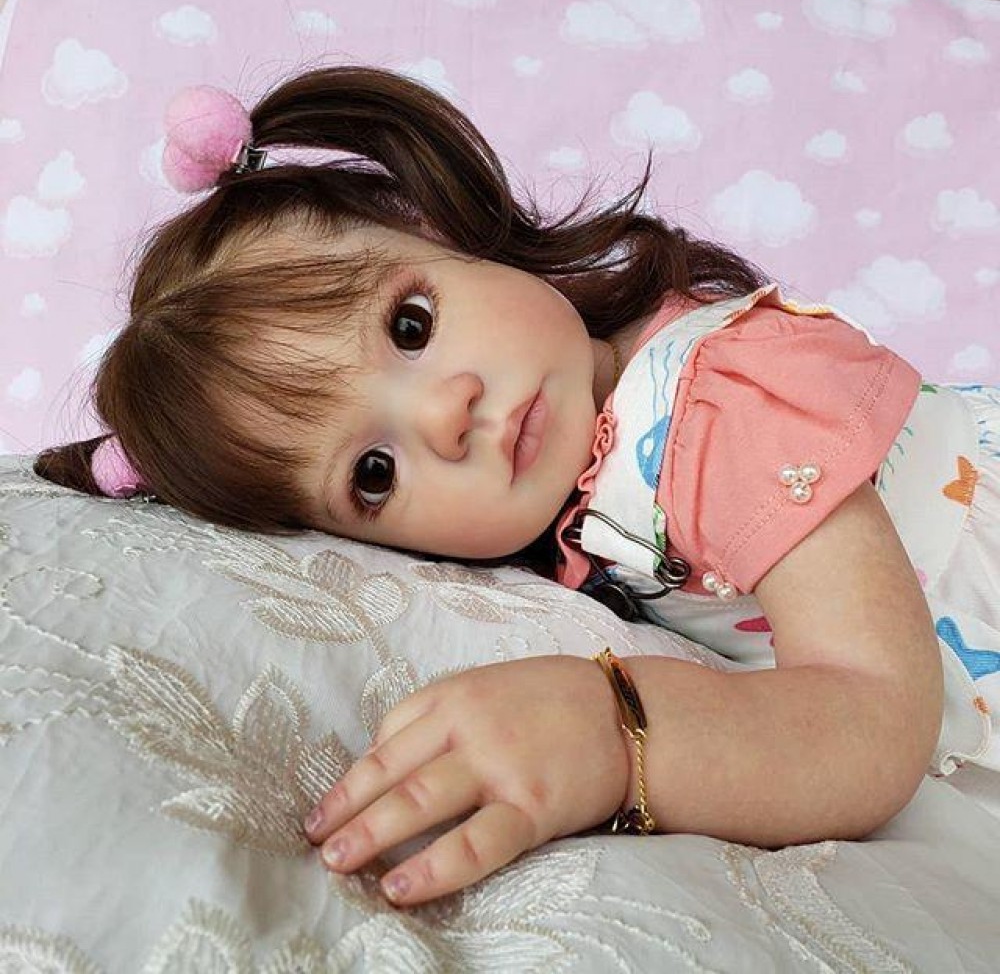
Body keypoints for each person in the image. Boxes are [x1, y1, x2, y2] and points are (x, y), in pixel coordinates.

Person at [34, 66, 999, 910]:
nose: (444, 415)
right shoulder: (583, 505)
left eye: (410, 326)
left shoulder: (715, 400)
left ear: (443, 231)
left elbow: (875, 713)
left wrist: (613, 731)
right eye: (375, 472)